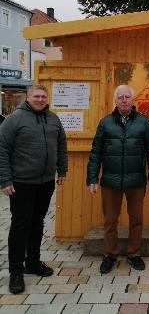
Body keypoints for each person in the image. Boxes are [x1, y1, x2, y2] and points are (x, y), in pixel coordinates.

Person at [0, 84, 68, 295]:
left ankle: (33, 262)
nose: (40, 99)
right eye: (36, 96)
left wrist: (62, 170)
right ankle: (16, 271)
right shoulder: (14, 120)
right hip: (21, 183)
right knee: (21, 225)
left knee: (38, 222)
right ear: (28, 98)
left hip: (46, 182)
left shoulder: (53, 119)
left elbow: (61, 145)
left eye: (43, 96)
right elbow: (2, 149)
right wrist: (5, 180)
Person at [87, 84, 149, 273]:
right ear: (116, 100)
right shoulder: (105, 123)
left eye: (128, 96)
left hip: (136, 181)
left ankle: (134, 254)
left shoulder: (144, 123)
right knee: (110, 220)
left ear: (133, 100)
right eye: (121, 97)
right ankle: (110, 255)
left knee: (136, 219)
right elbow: (95, 152)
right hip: (110, 182)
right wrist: (92, 178)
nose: (124, 100)